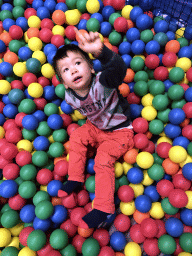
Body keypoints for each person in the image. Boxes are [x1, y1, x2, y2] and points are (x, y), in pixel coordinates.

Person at [52, 28, 134, 229]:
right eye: (66, 70)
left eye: (78, 63)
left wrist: (100, 52)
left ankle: (104, 207)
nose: (73, 70)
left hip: (119, 131)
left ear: (91, 67)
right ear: (64, 83)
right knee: (77, 135)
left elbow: (118, 70)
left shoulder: (103, 82)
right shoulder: (69, 96)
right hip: (96, 127)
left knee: (102, 159)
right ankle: (75, 178)